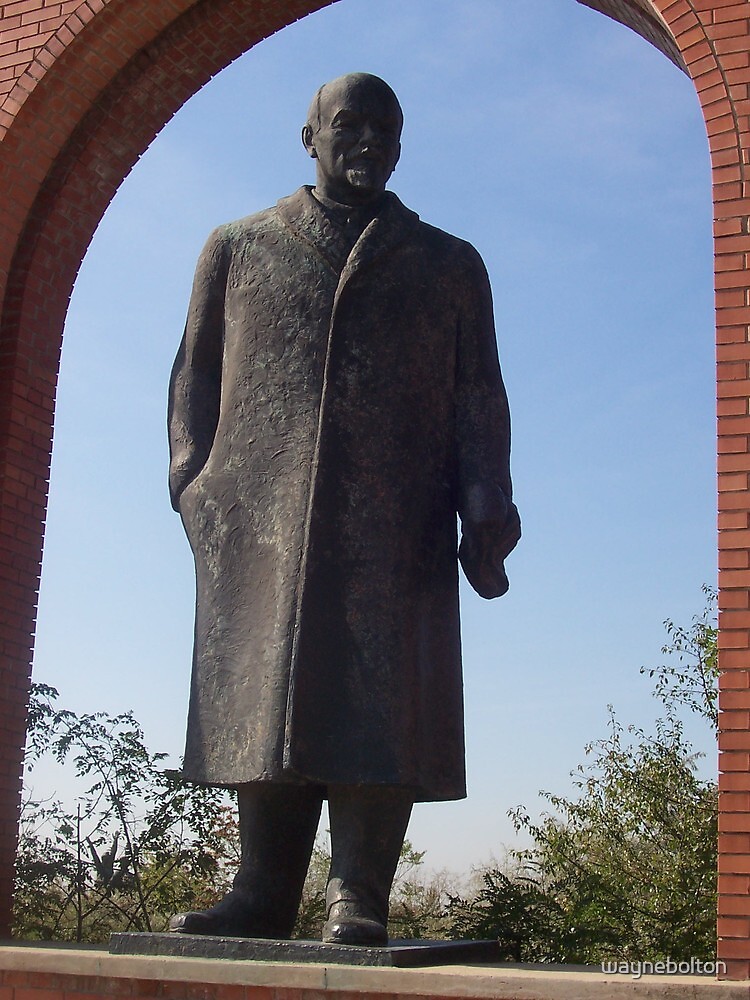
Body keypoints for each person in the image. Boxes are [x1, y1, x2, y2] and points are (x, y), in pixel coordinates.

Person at [167, 72, 520, 946]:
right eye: (348, 124)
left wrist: (485, 497)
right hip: (258, 517)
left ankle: (357, 890)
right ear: (309, 136)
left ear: (402, 145)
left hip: (394, 518)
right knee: (266, 690)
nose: (367, 141)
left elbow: (479, 391)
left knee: (380, 697)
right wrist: (193, 482)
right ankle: (262, 890)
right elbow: (195, 372)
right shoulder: (238, 245)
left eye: (385, 129)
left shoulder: (448, 262)